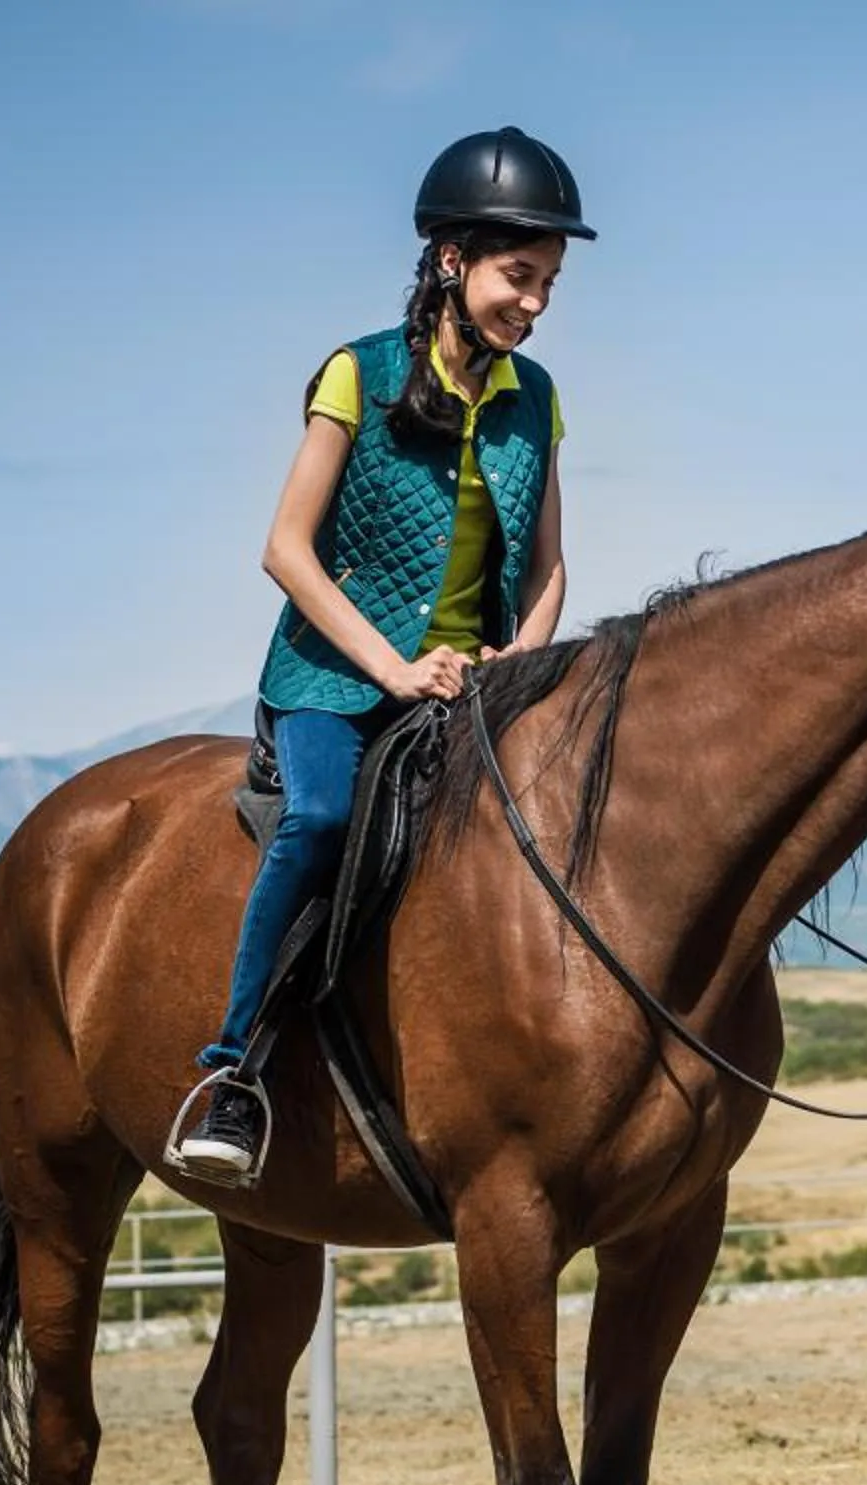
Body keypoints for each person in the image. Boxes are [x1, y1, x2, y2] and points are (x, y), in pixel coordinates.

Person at [174, 127, 593, 1183]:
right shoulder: (354, 373)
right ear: (451, 261)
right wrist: (394, 671)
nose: (535, 303)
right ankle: (235, 1075)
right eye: (518, 275)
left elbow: (548, 570)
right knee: (319, 817)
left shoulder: (535, 398)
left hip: (474, 686)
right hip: (331, 680)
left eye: (548, 282)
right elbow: (285, 548)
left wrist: (517, 660)